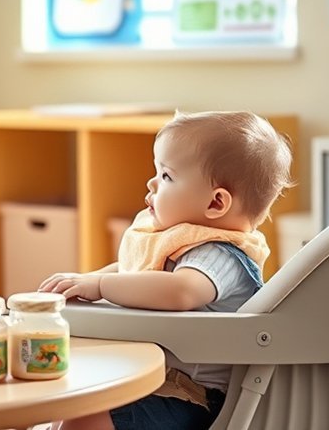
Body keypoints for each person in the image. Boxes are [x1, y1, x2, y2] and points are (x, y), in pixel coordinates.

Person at [39, 110, 293, 430]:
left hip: (191, 397)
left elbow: (179, 291)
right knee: (73, 403)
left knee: (87, 419)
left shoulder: (221, 256)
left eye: (167, 176)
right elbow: (140, 273)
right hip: (153, 382)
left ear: (216, 203)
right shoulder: (185, 248)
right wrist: (89, 280)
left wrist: (103, 285)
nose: (151, 182)